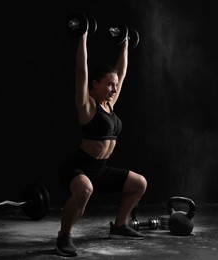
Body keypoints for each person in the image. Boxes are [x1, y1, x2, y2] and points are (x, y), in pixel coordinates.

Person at [55, 28, 148, 257]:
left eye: (114, 86)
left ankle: (119, 227)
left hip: (100, 169)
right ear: (95, 84)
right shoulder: (88, 107)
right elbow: (81, 71)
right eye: (108, 84)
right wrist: (82, 36)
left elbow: (122, 73)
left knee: (139, 184)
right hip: (77, 167)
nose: (114, 89)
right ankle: (64, 237)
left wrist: (125, 43)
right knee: (85, 189)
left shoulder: (110, 104)